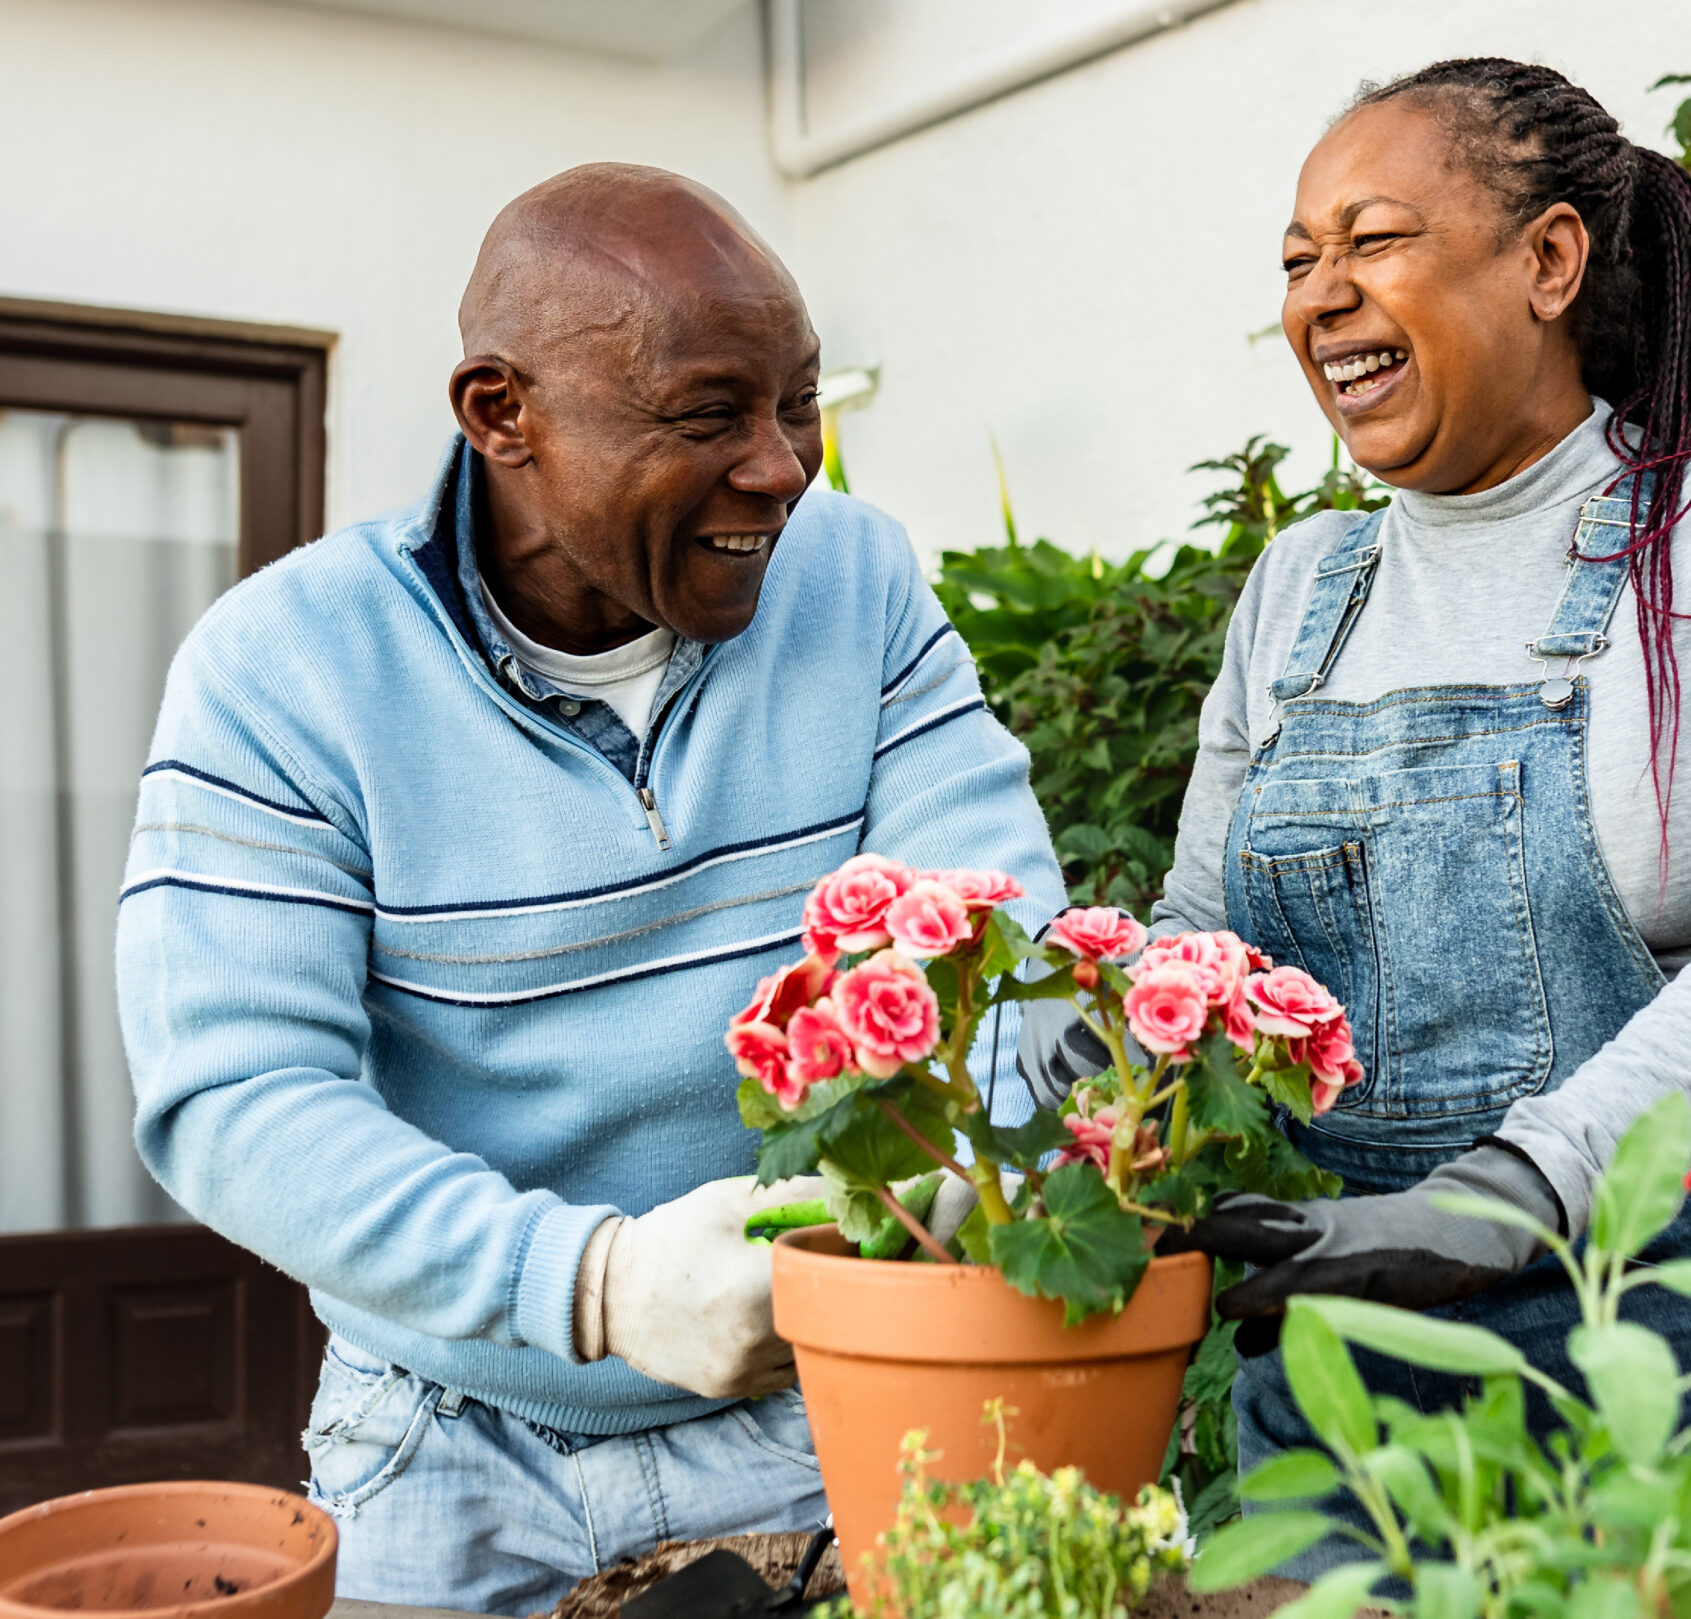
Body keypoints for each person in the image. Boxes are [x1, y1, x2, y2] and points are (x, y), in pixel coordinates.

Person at [115, 165, 1065, 1613]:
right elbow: (237, 1098)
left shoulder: (858, 586)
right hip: (444, 1443)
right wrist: (596, 1283)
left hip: (815, 1395)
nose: (782, 467)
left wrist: (948, 1200)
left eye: (798, 402)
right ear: (503, 415)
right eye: (709, 416)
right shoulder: (285, 670)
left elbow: (1002, 951)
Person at [1114, 58, 1691, 1556]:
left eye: (1373, 240)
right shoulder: (1303, 590)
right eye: (1299, 261)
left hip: (1684, 1343)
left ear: (1548, 259)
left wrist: (1511, 1190)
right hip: (1349, 1383)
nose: (1322, 294)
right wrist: (1087, 1019)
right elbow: (1201, 938)